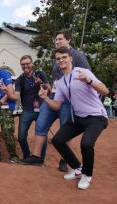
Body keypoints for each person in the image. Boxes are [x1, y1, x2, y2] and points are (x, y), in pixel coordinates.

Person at [20, 29, 91, 169]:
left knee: (66, 129)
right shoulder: (56, 58)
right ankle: (37, 158)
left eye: (60, 39)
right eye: (56, 39)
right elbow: (56, 80)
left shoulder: (78, 56)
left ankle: (65, 160)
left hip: (69, 101)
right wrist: (46, 87)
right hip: (53, 96)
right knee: (40, 124)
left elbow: (88, 74)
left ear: (69, 40)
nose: (57, 41)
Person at [39, 46, 108, 189]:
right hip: (79, 118)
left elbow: (105, 90)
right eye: (58, 58)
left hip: (97, 116)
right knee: (58, 140)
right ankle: (77, 168)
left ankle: (87, 175)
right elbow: (57, 106)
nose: (61, 60)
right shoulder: (61, 82)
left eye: (64, 57)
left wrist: (88, 80)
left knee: (86, 144)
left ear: (70, 58)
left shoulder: (83, 72)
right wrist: (45, 98)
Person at [12, 55, 50, 160]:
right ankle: (27, 156)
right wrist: (8, 92)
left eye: (27, 63)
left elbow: (49, 89)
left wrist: (41, 83)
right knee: (21, 136)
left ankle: (41, 158)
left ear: (32, 63)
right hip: (27, 110)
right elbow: (16, 95)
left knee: (42, 134)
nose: (25, 66)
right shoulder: (20, 79)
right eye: (23, 64)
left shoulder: (40, 74)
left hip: (42, 109)